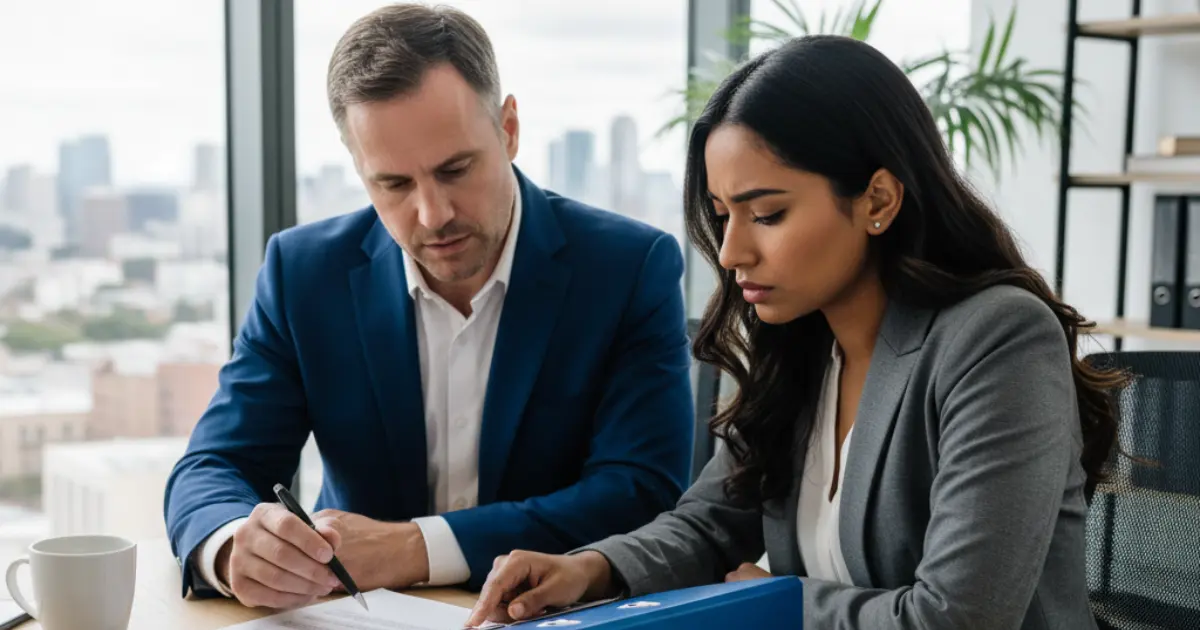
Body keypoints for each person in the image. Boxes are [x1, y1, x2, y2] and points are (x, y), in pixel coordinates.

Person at [467, 35, 1126, 630]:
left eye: (768, 213)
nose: (730, 252)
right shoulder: (805, 342)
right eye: (723, 215)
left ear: (877, 200)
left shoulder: (997, 340)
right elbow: (709, 522)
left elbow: (960, 617)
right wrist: (589, 570)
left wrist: (779, 601)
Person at [164, 3, 695, 609]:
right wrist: (233, 547)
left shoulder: (628, 267)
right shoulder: (303, 273)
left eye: (456, 169)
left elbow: (641, 491)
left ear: (510, 129)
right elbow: (213, 465)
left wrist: (415, 546)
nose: (432, 214)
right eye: (393, 184)